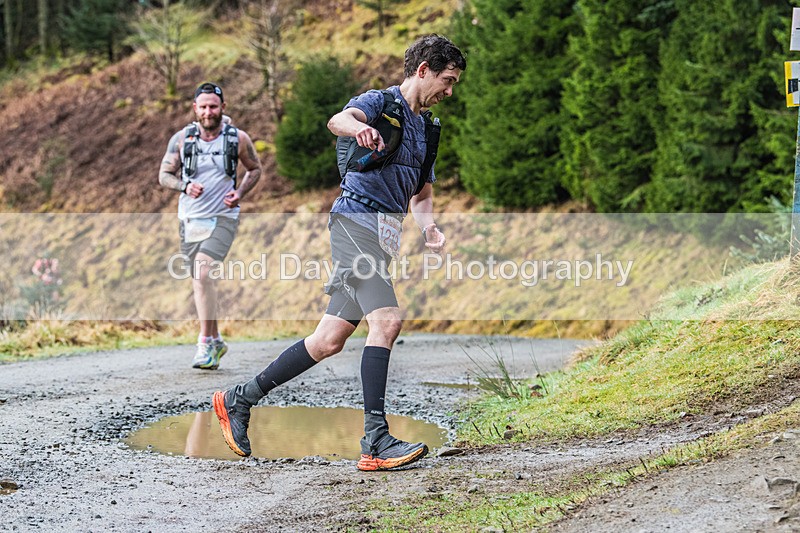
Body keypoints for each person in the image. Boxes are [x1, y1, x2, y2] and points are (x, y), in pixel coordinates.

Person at [213, 34, 466, 471]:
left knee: (328, 340)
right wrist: (359, 127)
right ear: (423, 69)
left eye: (455, 83)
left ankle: (239, 399)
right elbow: (338, 119)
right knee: (387, 321)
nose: (450, 91)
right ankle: (375, 441)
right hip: (354, 222)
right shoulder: (379, 101)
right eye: (447, 79)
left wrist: (431, 229)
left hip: (384, 234)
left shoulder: (428, 129)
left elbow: (422, 195)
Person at [159, 82, 262, 370]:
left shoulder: (237, 138)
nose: (208, 111)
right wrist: (185, 186)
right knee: (202, 280)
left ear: (223, 108)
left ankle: (204, 343)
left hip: (223, 218)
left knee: (202, 272)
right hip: (190, 220)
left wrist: (239, 194)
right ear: (195, 108)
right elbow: (164, 174)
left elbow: (255, 169)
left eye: (213, 106)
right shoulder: (182, 139)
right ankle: (216, 339)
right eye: (203, 106)